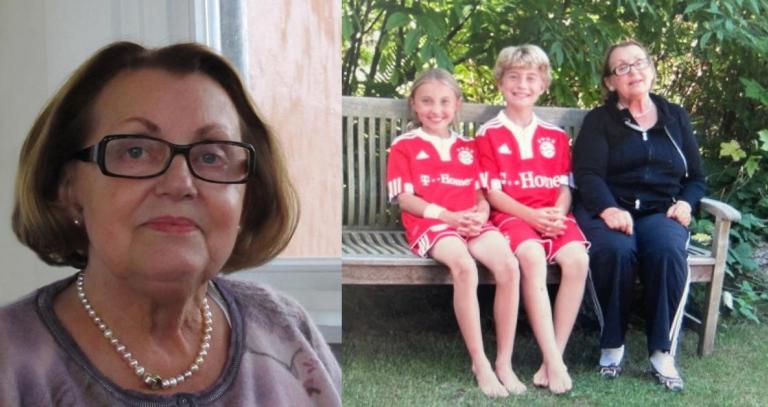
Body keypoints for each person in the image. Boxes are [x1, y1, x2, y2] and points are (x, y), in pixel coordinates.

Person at [0, 41, 341, 405]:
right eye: (135, 151)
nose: (180, 184)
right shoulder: (11, 364)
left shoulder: (288, 330)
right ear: (69, 187)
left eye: (211, 155)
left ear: (248, 194)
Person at [572, 40, 706, 392]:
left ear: (652, 69)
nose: (633, 72)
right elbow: (587, 175)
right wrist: (608, 208)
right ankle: (612, 344)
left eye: (639, 63)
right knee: (616, 250)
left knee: (666, 249)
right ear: (609, 82)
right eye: (622, 68)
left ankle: (662, 351)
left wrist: (687, 204)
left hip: (659, 210)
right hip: (608, 207)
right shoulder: (599, 121)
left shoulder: (675, 116)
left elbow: (696, 178)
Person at [386, 68, 526, 398]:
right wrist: (447, 216)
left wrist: (481, 213)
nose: (436, 109)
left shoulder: (469, 146)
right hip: (432, 223)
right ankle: (480, 363)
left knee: (508, 265)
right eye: (427, 101)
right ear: (414, 105)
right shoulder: (404, 145)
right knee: (463, 266)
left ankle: (504, 362)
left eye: (444, 101)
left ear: (457, 105)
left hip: (471, 221)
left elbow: (481, 193)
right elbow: (405, 199)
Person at [475, 45, 590, 395]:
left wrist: (558, 211)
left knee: (578, 260)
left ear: (542, 85)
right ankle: (556, 362)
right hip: (513, 216)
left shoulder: (555, 136)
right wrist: (532, 216)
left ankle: (550, 358)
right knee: (532, 257)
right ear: (500, 82)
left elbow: (565, 187)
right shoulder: (488, 133)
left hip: (551, 214)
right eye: (513, 77)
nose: (522, 85)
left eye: (530, 78)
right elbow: (493, 195)